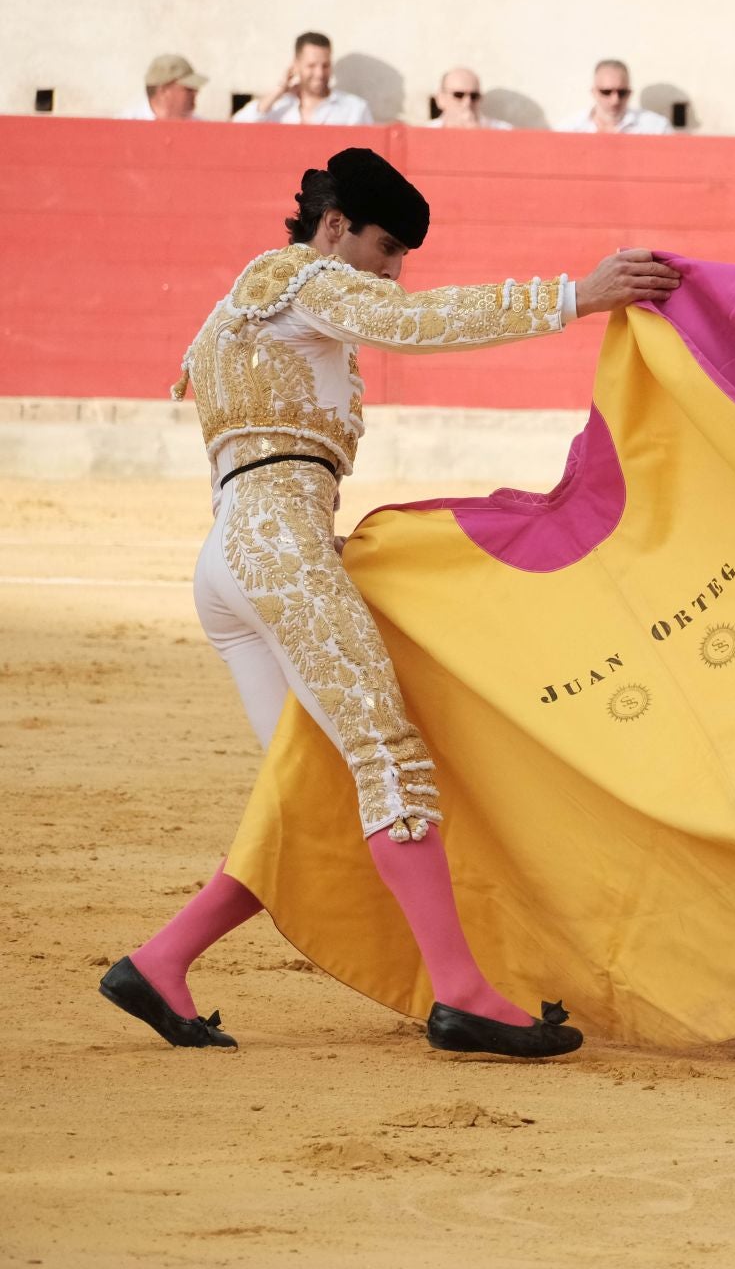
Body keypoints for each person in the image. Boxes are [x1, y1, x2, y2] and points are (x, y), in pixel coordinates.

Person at [98, 147, 680, 1058]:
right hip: (277, 550)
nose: (393, 269)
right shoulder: (303, 277)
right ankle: (461, 995)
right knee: (387, 757)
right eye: (385, 246)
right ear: (335, 227)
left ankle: (160, 961)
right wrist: (577, 295)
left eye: (402, 254)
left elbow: (261, 450)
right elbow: (421, 323)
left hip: (238, 553)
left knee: (319, 788)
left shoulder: (239, 309)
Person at [232, 31, 373, 126]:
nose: (319, 74)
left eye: (325, 65)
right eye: (311, 66)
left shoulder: (355, 108)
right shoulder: (278, 105)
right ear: (296, 65)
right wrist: (279, 90)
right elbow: (236, 128)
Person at [557, 60, 671, 134]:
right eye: (606, 92)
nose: (615, 100)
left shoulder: (656, 127)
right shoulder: (569, 128)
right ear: (594, 92)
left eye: (622, 93)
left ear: (630, 92)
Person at [119, 54, 207, 121]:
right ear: (163, 91)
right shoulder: (126, 125)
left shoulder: (200, 127)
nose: (195, 93)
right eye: (188, 89)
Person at [427, 67, 510, 129]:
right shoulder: (426, 132)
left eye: (474, 96)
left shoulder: (503, 130)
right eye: (458, 95)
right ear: (440, 99)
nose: (467, 103)